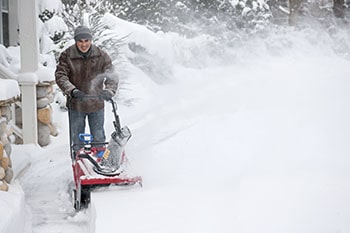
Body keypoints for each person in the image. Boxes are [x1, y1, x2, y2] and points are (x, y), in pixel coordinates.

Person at [55, 25, 118, 154]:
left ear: (91, 40)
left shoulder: (101, 55)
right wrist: (72, 90)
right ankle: (79, 161)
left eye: (86, 41)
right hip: (76, 104)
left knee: (99, 137)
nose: (84, 44)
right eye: (80, 41)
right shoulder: (67, 56)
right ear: (76, 41)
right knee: (78, 138)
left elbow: (112, 76)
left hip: (96, 103)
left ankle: (100, 160)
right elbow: (61, 76)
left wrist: (109, 91)